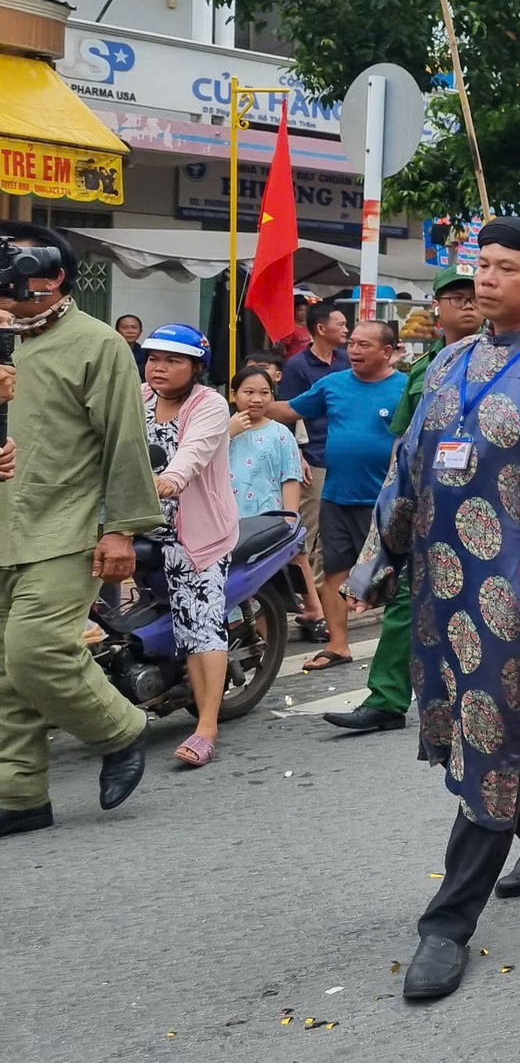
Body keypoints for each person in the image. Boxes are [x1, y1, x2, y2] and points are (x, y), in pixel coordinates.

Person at [344, 217, 520, 1003]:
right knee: (460, 733)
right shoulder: (449, 360)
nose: (486, 280)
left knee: (488, 745)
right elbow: (411, 462)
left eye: (504, 268)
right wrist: (376, 558)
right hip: (437, 584)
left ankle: (447, 924)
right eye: (480, 265)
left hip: (511, 594)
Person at [0, 223, 164, 837]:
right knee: (3, 671)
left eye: (19, 263)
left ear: (54, 276)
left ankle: (121, 729)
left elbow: (124, 442)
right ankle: (18, 796)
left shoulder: (97, 344)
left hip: (61, 526)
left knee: (35, 651)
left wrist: (121, 529)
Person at [325, 268, 484, 735]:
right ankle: (386, 699)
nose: (468, 304)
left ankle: (471, 698)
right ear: (438, 308)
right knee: (405, 601)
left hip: (484, 504)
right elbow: (404, 442)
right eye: (456, 297)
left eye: (474, 296)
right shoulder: (423, 369)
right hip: (430, 504)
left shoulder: (504, 360)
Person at [269, 319, 405, 672]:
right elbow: (290, 409)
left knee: (396, 578)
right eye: (353, 343)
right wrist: (252, 403)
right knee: (334, 571)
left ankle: (403, 652)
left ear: (387, 352)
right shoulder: (333, 384)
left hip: (385, 501)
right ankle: (338, 644)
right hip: (337, 497)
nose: (354, 351)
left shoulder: (405, 389)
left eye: (364, 345)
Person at [136, 325, 240, 769]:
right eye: (154, 358)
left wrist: (168, 481)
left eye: (173, 361)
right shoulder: (138, 397)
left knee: (200, 625)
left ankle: (206, 727)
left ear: (197, 368)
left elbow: (191, 455)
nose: (159, 367)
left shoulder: (210, 404)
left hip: (193, 531)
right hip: (134, 522)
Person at [278, 302, 349, 643]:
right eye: (341, 323)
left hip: (342, 458)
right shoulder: (297, 366)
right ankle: (313, 606)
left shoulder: (346, 361)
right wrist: (298, 454)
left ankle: (329, 601)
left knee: (335, 532)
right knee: (309, 532)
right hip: (314, 457)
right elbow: (288, 411)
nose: (346, 329)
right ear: (321, 328)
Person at [227, 366, 304, 519]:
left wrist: (290, 521)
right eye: (248, 392)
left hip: (269, 524)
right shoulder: (219, 429)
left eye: (264, 393)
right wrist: (227, 433)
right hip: (224, 522)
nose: (257, 399)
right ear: (234, 394)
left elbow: (290, 479)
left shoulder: (281, 433)